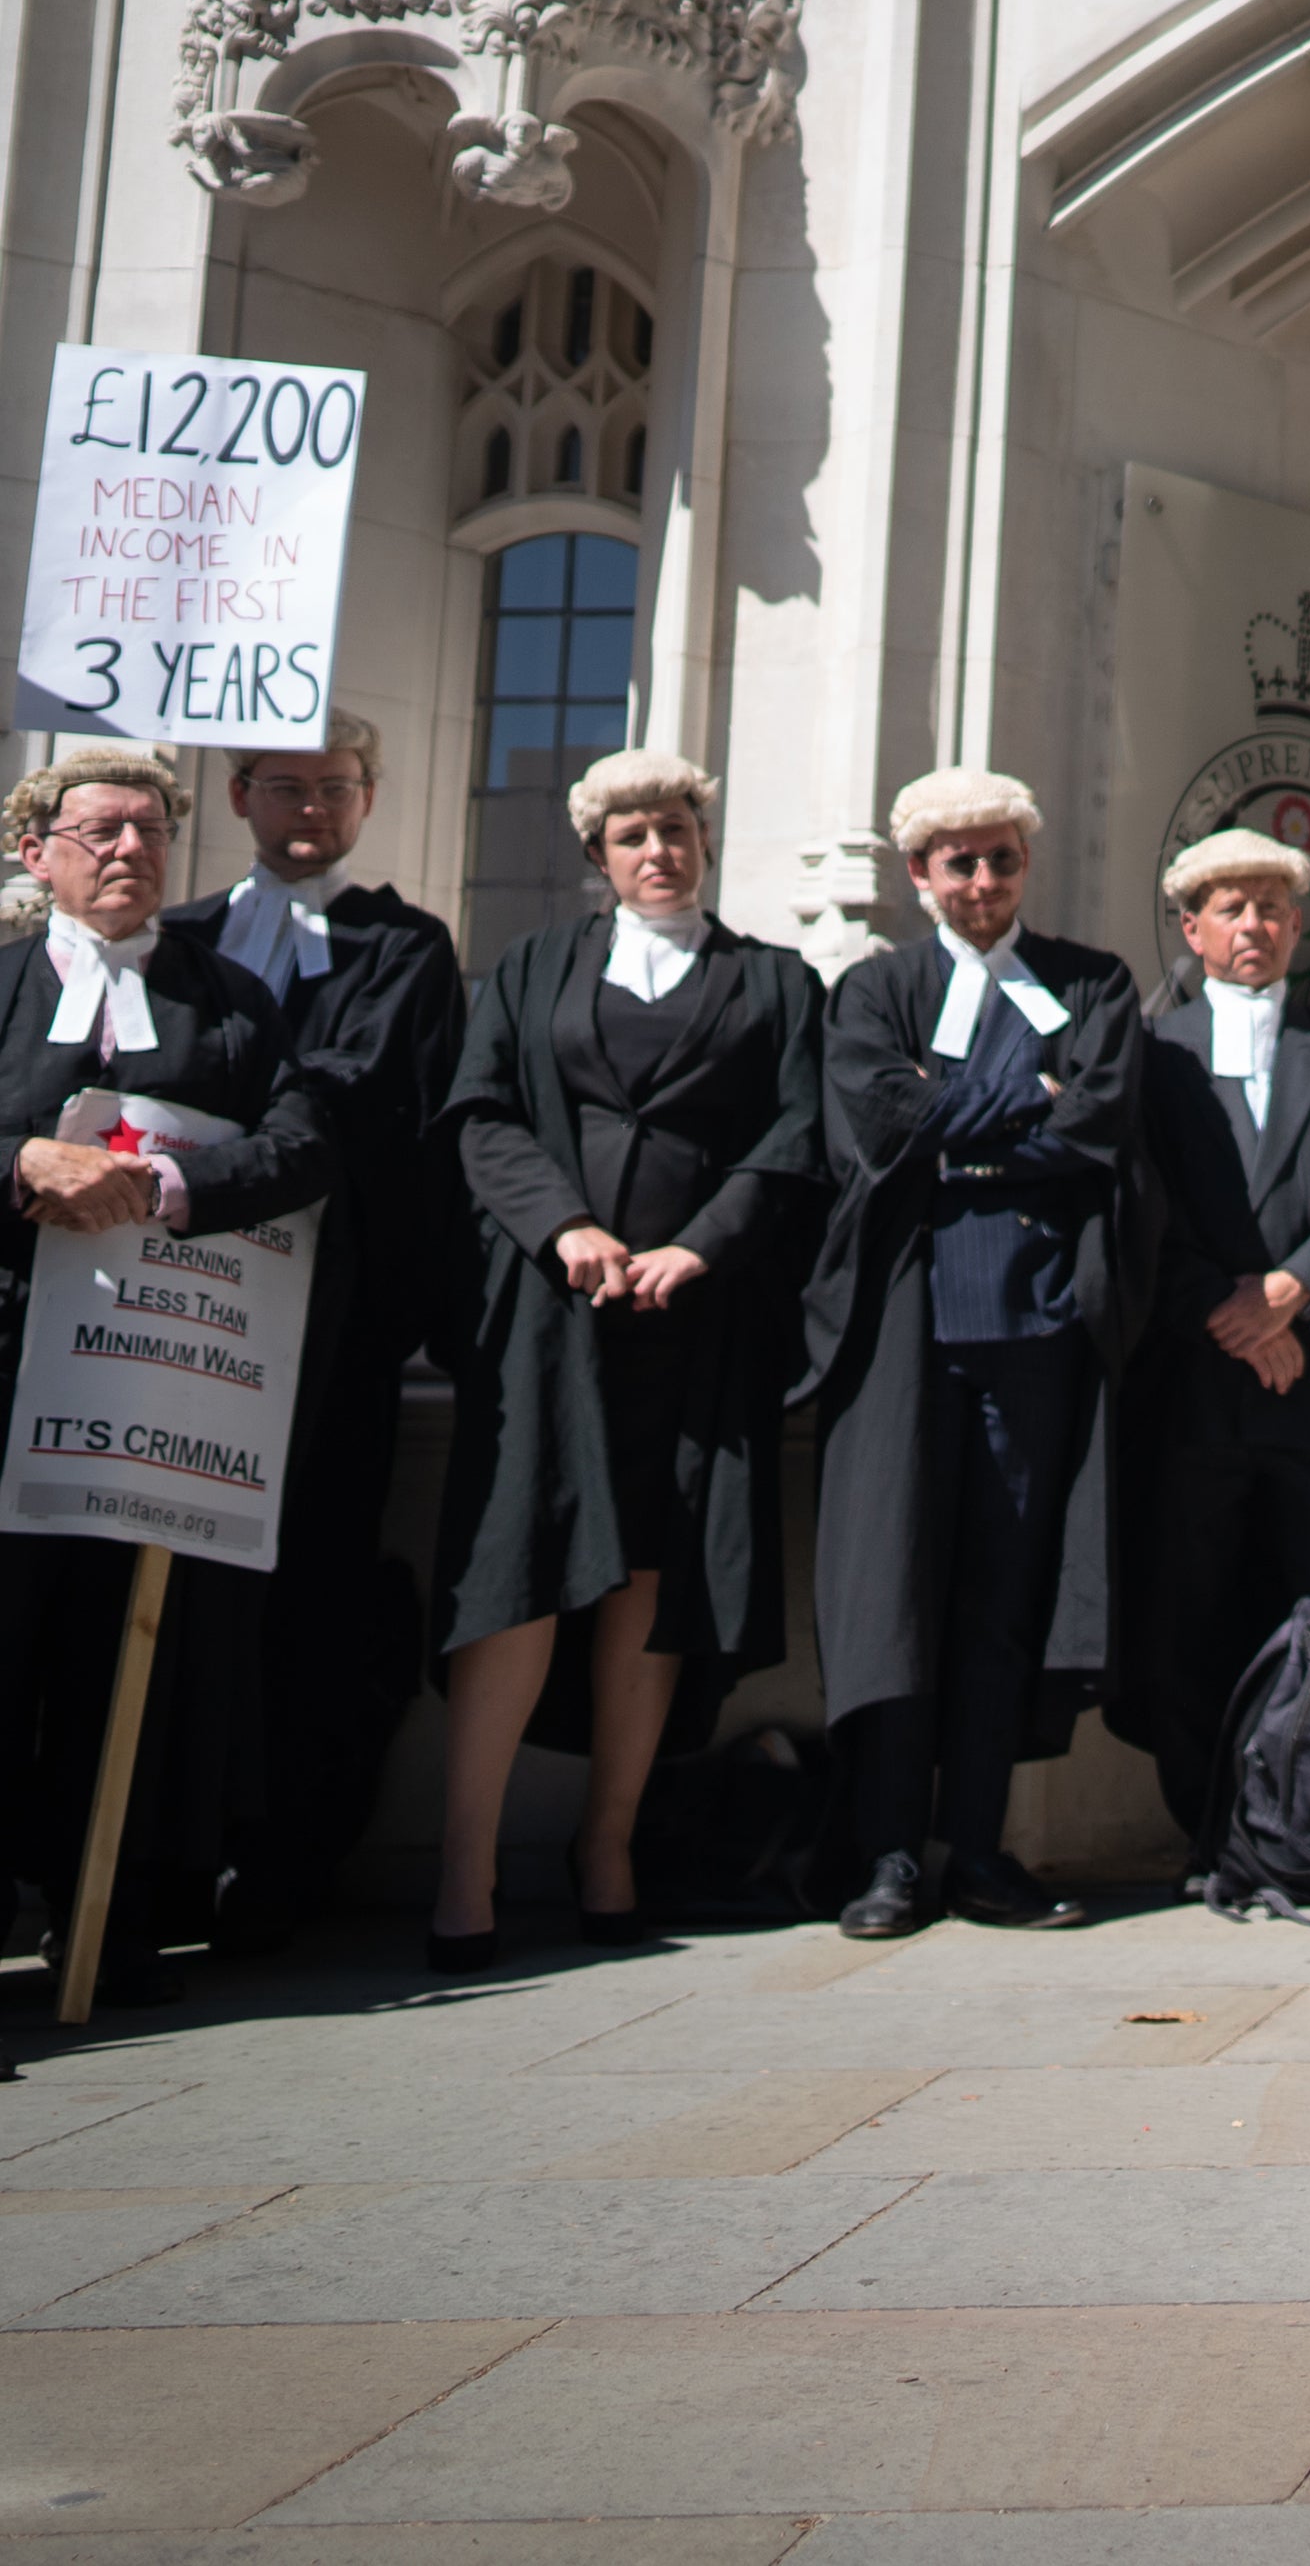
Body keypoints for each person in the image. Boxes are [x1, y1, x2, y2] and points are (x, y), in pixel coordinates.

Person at [425, 753, 824, 1966]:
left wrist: (701, 1248)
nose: (660, 849)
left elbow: (797, 1133)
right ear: (596, 853)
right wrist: (566, 1225)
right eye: (634, 833)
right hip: (551, 1316)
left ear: (704, 841)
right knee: (521, 1569)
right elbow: (480, 1114)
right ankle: (466, 1862)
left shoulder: (775, 978)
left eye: (678, 828)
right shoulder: (534, 967)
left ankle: (609, 1845)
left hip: (692, 1328)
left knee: (650, 1577)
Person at [0, 749, 334, 2001]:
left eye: (147, 830)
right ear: (39, 853)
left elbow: (305, 1146)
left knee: (126, 1647)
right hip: (6, 1367)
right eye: (98, 832)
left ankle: (110, 1914)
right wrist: (26, 1164)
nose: (129, 850)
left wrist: (173, 1187)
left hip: (149, 1387)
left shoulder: (234, 1002)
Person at [800, 768, 1144, 1940]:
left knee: (1006, 1601)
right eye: (960, 862)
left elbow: (1095, 1124)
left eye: (1001, 858)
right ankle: (890, 1853)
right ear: (918, 875)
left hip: (1037, 1326)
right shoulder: (871, 991)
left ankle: (983, 1849)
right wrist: (1019, 1101)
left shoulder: (1091, 981)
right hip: (906, 1332)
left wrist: (959, 1119)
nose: (984, 880)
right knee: (897, 1592)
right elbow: (880, 1130)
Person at [168, 715, 464, 1947]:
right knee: (177, 1590)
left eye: (335, 789)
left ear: (368, 800)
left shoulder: (405, 944)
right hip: (173, 1323)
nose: (311, 809)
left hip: (334, 1326)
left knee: (314, 1586)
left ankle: (286, 1857)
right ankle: (162, 1852)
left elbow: (345, 1095)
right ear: (236, 793)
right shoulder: (177, 943)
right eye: (285, 786)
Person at [1118, 829, 1310, 1863]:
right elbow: (1136, 1206)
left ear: (1301, 925)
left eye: (1271, 907)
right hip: (1194, 1385)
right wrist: (1234, 1312)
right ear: (1190, 927)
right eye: (1229, 906)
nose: (1252, 924)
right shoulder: (1150, 1057)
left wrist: (1292, 1296)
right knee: (1190, 1608)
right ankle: (1213, 1832)